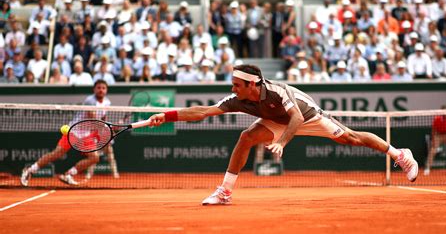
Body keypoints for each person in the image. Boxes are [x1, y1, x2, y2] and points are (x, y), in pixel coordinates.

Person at [149, 64, 419, 205]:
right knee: (246, 137)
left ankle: (399, 154)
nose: (232, 88)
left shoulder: (277, 91)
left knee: (351, 138)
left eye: (236, 85)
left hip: (307, 116)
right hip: (275, 120)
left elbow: (297, 118)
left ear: (252, 84)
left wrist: (281, 142)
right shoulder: (237, 99)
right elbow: (202, 112)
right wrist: (167, 116)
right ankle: (225, 192)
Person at [20, 80, 112, 186]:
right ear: (94, 89)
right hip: (73, 131)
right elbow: (94, 118)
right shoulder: (90, 101)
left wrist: (104, 128)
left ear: (106, 90)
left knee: (94, 158)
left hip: (86, 134)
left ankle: (69, 174)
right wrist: (108, 126)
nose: (101, 90)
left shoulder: (107, 102)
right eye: (99, 88)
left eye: (103, 88)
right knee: (57, 154)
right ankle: (29, 170)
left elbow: (103, 117)